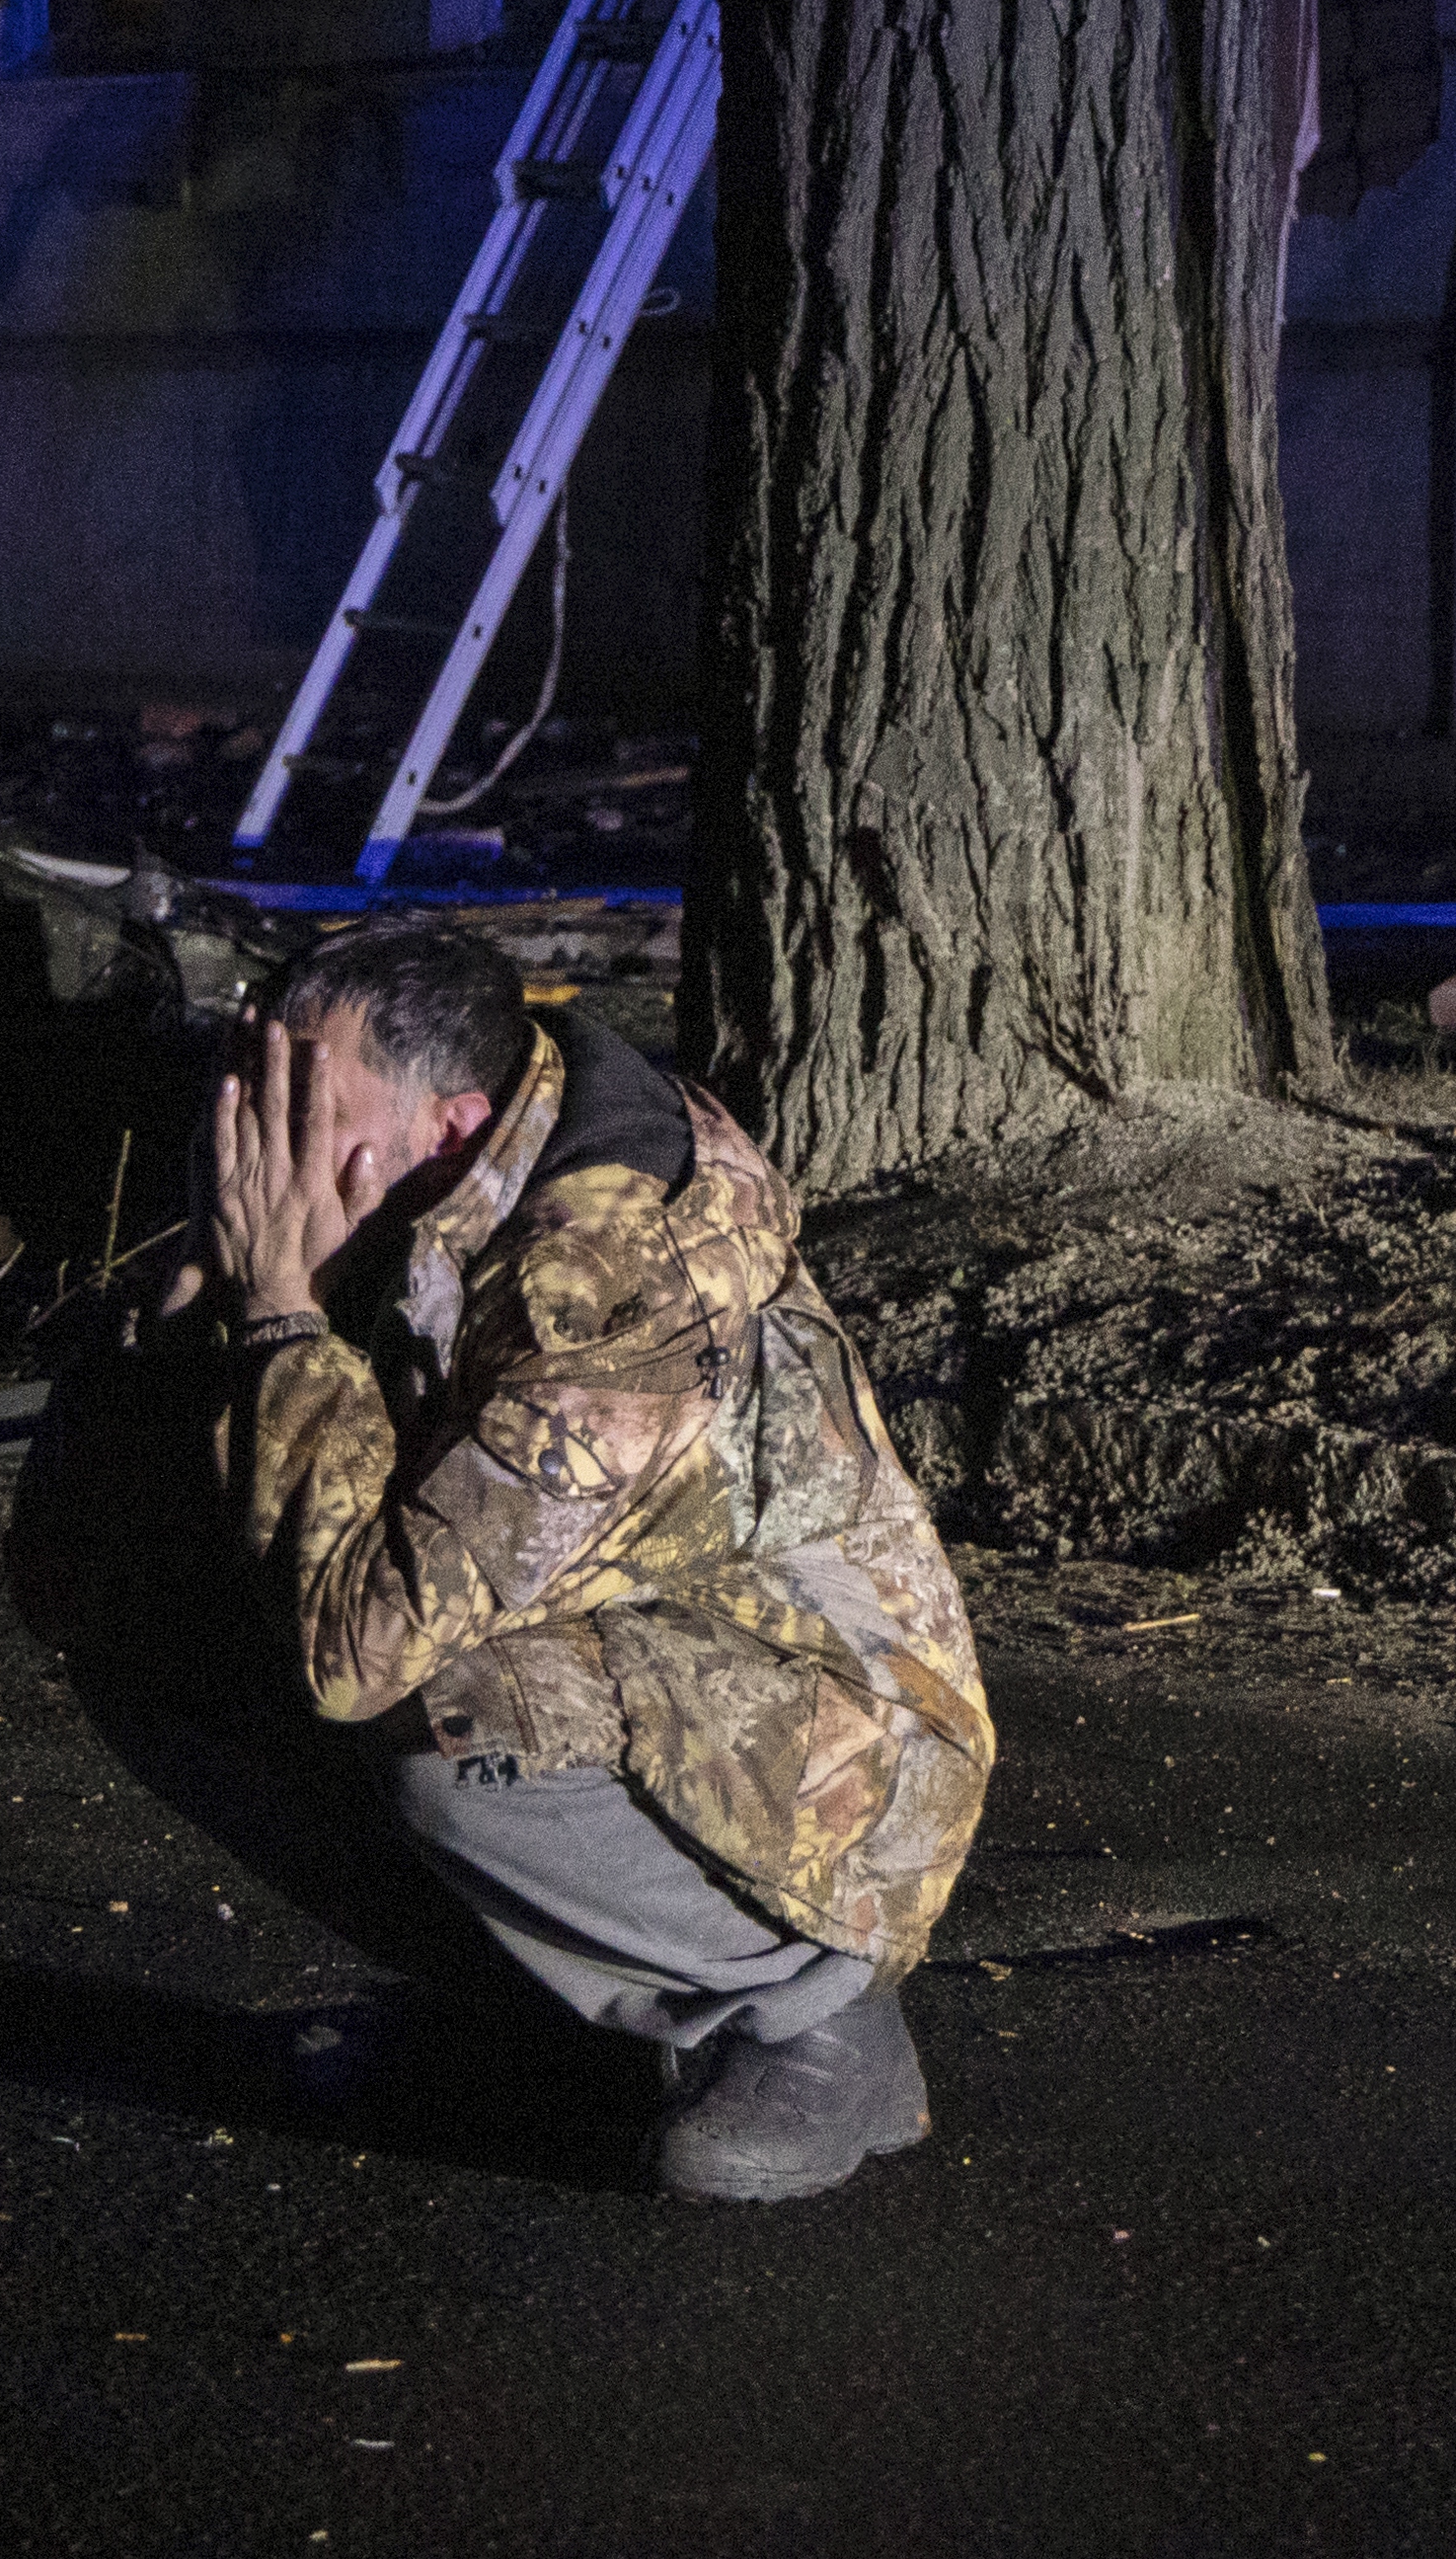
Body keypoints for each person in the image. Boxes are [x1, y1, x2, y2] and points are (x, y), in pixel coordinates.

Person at [182, 922, 992, 2200]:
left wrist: (282, 1300)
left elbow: (358, 1650)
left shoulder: (605, 1287)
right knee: (137, 1539)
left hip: (835, 1770)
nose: (268, 1149)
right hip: (643, 1637)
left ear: (450, 1123)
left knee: (452, 1723)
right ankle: (535, 2004)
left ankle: (815, 2019)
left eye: (305, 1113)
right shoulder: (471, 1143)